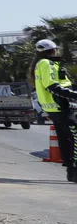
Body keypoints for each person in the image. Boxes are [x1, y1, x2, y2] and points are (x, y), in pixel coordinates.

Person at [34, 38, 77, 182]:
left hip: (54, 108)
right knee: (73, 137)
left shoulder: (40, 64)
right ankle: (74, 170)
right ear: (53, 50)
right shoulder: (47, 64)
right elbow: (52, 86)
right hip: (60, 106)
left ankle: (71, 171)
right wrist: (73, 95)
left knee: (65, 138)